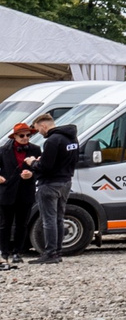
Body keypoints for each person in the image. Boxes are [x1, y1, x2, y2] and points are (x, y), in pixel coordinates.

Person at [28, 111, 76, 265]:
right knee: (59, 218)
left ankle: (50, 253)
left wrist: (32, 162)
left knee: (48, 220)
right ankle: (58, 251)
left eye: (38, 129)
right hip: (66, 181)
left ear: (43, 125)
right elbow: (71, 159)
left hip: (50, 184)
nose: (39, 133)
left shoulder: (52, 140)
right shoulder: (71, 138)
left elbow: (45, 167)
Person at [0, 120, 31, 268]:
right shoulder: (3, 150)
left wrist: (31, 174)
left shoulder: (35, 149)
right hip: (7, 191)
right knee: (4, 224)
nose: (25, 138)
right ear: (15, 137)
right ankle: (4, 253)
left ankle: (17, 252)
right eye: (22, 136)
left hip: (26, 191)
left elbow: (41, 168)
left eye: (28, 135)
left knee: (22, 224)